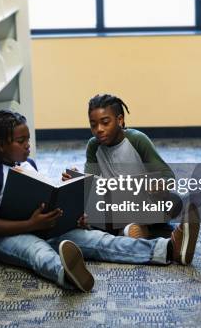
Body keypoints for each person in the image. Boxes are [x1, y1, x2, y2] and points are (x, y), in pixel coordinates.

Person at [0, 109, 200, 292]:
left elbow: (43, 199)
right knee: (38, 252)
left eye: (28, 139)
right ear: (0, 144)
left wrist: (72, 216)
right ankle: (67, 275)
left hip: (44, 226)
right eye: (20, 141)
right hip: (10, 237)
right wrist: (31, 225)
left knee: (99, 240)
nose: (27, 145)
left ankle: (168, 249)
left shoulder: (28, 164)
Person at [63, 94, 192, 240]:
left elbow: (167, 175)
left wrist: (160, 185)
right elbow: (91, 185)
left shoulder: (137, 140)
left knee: (175, 202)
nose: (99, 129)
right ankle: (139, 231)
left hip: (144, 202)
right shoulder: (93, 146)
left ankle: (132, 231)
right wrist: (76, 180)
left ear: (120, 120)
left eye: (105, 122)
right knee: (83, 213)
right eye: (93, 124)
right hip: (114, 207)